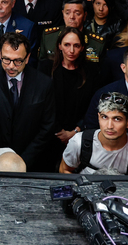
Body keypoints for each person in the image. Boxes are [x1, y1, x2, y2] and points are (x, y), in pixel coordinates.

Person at [0, 32, 55, 172]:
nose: (11, 66)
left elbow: (47, 127)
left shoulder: (43, 83)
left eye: (18, 61)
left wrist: (24, 159)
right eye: (6, 59)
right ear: (0, 54)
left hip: (32, 162)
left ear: (28, 58)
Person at [60, 91, 128, 175]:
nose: (109, 126)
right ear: (98, 118)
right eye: (104, 117)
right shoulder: (79, 143)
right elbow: (64, 170)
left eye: (117, 119)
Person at [39, 27, 102, 159]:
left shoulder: (92, 71)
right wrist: (59, 131)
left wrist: (75, 132)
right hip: (50, 135)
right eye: (67, 45)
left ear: (83, 47)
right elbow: (42, 105)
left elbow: (94, 106)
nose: (71, 50)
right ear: (59, 46)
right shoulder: (46, 68)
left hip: (81, 135)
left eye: (76, 46)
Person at [38, 0, 106, 63]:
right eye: (67, 13)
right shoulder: (49, 37)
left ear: (85, 15)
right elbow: (41, 67)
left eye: (77, 13)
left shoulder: (97, 43)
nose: (72, 17)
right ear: (63, 14)